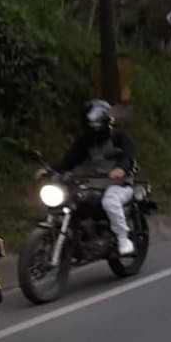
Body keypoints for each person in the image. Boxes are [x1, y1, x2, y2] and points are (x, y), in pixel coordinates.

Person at [37, 101, 138, 255]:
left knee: (109, 202)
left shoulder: (120, 138)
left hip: (119, 184)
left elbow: (128, 156)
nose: (93, 127)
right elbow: (69, 161)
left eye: (96, 123)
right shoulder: (86, 143)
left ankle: (123, 239)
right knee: (73, 199)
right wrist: (49, 170)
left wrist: (121, 169)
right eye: (90, 123)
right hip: (94, 184)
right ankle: (81, 236)